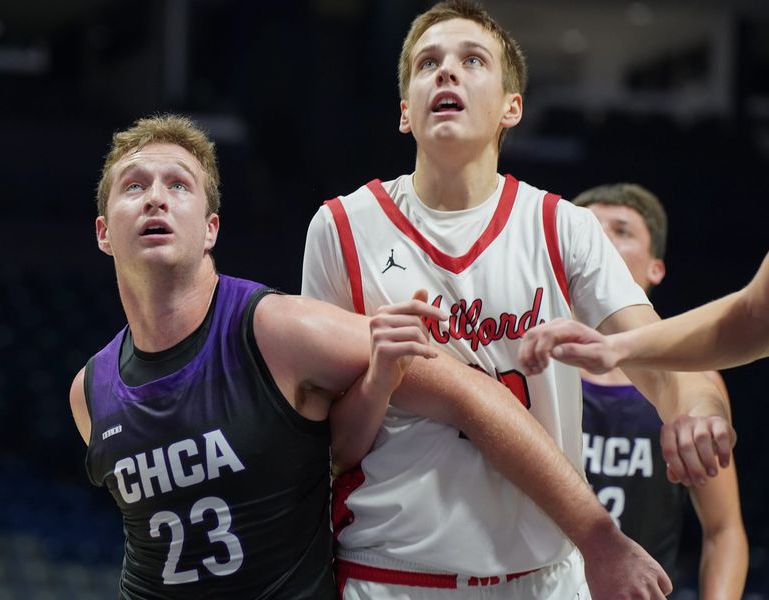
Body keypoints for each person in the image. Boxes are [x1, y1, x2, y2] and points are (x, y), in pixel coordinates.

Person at [69, 114, 672, 599]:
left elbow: (467, 391)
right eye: (134, 186)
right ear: (102, 232)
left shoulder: (279, 328)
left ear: (210, 229)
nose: (155, 198)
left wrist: (596, 536)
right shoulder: (89, 392)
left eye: (178, 185)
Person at [301, 1, 734, 598]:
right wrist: (378, 377)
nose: (446, 73)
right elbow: (324, 449)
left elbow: (662, 362)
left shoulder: (563, 227)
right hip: (392, 575)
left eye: (471, 60)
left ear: (513, 107)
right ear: (405, 112)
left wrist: (700, 408)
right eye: (428, 63)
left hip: (542, 578)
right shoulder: (340, 227)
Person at [572, 183, 747, 598]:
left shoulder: (693, 380)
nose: (602, 241)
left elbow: (723, 531)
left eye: (622, 230)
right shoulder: (521, 362)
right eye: (590, 230)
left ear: (656, 268)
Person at [519, 250, 769, 374]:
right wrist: (614, 347)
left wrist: (699, 408)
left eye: (622, 231)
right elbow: (752, 317)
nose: (607, 243)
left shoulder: (691, 384)